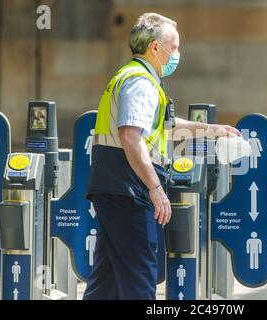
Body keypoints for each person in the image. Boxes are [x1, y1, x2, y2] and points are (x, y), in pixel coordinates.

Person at [84, 13, 240, 300]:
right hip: (130, 191)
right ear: (155, 48)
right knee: (141, 279)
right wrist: (156, 189)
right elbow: (131, 136)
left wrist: (211, 129)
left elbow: (165, 124)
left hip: (112, 188)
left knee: (106, 281)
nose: (177, 54)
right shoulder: (140, 83)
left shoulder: (131, 75)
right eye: (174, 47)